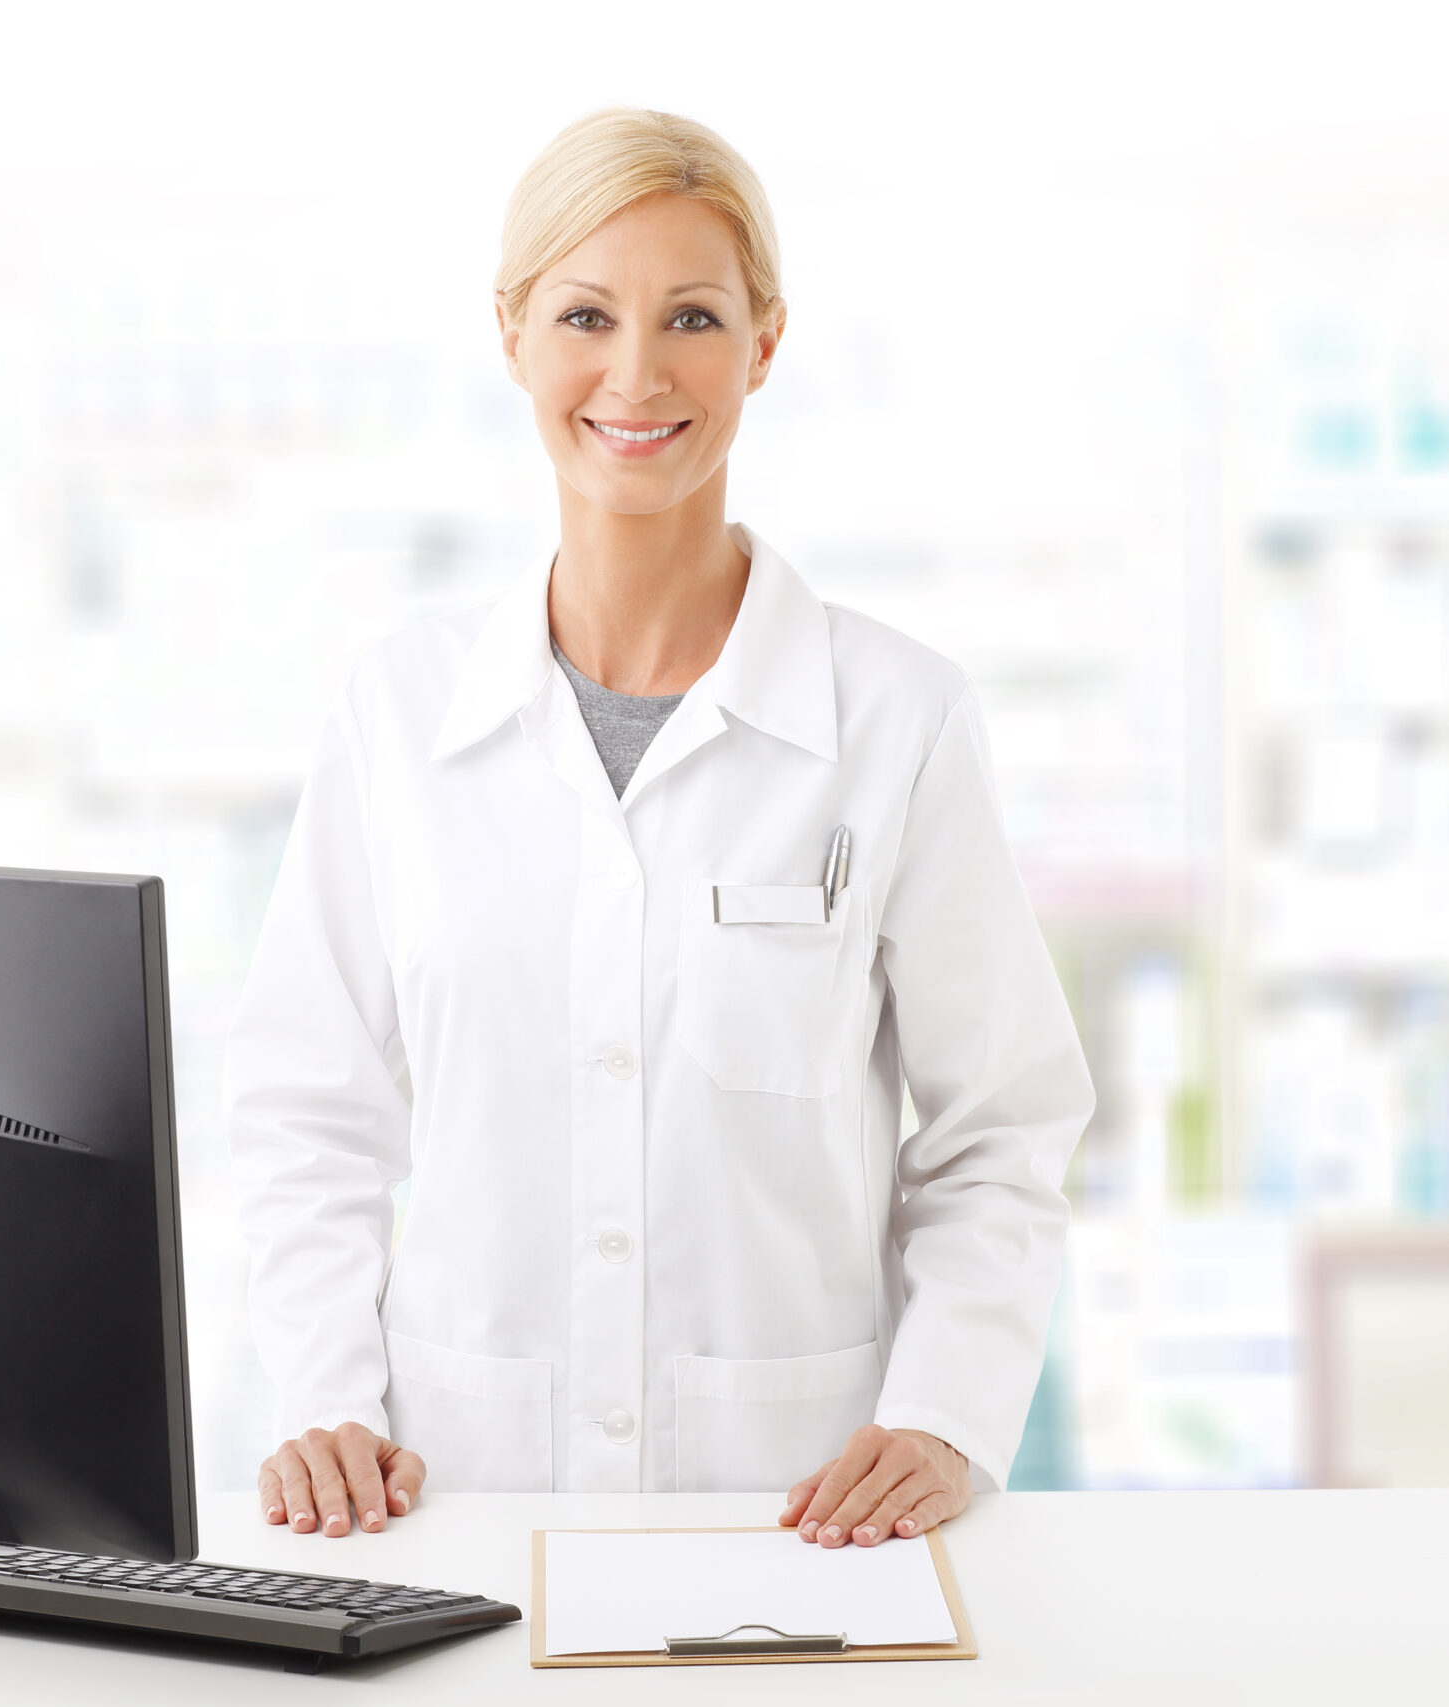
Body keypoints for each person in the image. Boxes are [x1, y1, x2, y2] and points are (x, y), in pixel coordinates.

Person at [226, 108, 1093, 1551]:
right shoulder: (399, 712)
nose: (636, 374)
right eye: (585, 315)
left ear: (762, 343)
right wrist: (328, 1400)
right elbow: (306, 1112)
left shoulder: (897, 719)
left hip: (800, 1515)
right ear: (511, 334)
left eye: (692, 316)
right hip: (450, 1495)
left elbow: (1003, 1126)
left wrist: (943, 1412)